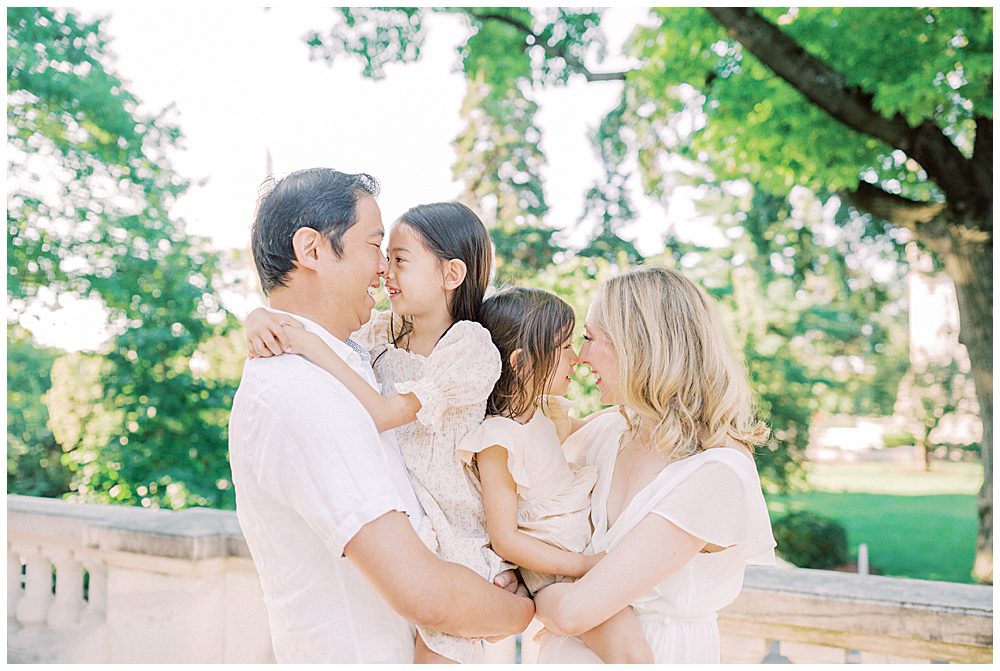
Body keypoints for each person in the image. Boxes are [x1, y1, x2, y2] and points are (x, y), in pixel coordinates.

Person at [228, 168, 533, 664]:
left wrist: (263, 317)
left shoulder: (348, 361)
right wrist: (519, 611)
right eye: (375, 246)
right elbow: (427, 595)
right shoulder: (303, 392)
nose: (383, 271)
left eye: (395, 257)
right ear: (312, 251)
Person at [533, 266, 776, 664]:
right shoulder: (612, 430)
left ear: (640, 346)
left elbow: (574, 611)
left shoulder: (716, 473)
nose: (579, 355)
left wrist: (529, 587)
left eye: (591, 338)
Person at [458, 286, 654, 663]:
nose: (578, 358)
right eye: (565, 347)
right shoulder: (498, 440)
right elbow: (506, 539)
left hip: (579, 556)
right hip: (557, 573)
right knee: (631, 653)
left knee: (630, 649)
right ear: (522, 362)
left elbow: (611, 421)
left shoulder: (544, 413)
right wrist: (580, 567)